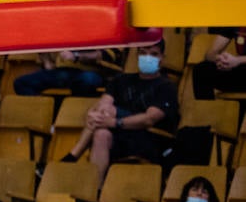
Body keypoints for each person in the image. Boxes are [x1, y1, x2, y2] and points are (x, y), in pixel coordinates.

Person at [62, 41, 178, 186]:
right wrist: (92, 114)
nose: (147, 57)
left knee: (108, 111)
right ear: (137, 56)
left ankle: (74, 155)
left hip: (148, 138)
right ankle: (95, 189)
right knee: (101, 133)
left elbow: (150, 119)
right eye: (143, 53)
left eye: (153, 54)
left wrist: (114, 122)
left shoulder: (166, 86)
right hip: (120, 137)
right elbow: (102, 104)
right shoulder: (122, 80)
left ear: (162, 58)